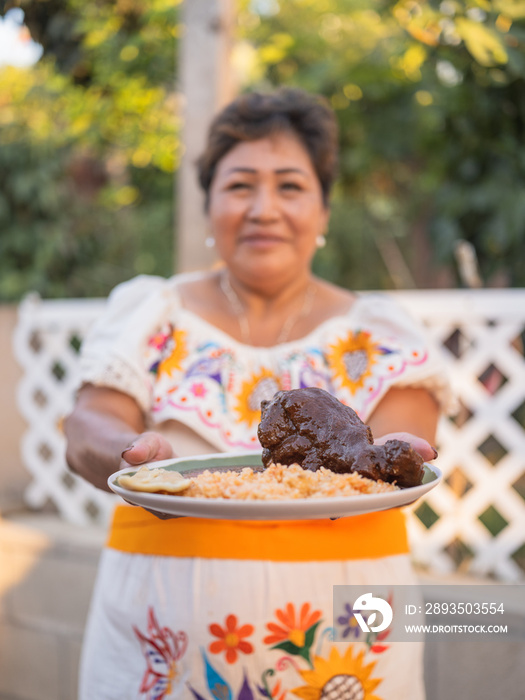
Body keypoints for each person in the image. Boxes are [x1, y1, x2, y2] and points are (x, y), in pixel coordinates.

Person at [65, 87, 454, 700]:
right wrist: (131, 456)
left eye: (291, 187)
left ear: (324, 211)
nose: (264, 208)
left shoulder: (380, 332)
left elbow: (402, 439)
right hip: (158, 641)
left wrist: (395, 456)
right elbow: (90, 421)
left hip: (350, 643)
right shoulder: (151, 313)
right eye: (241, 185)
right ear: (210, 206)